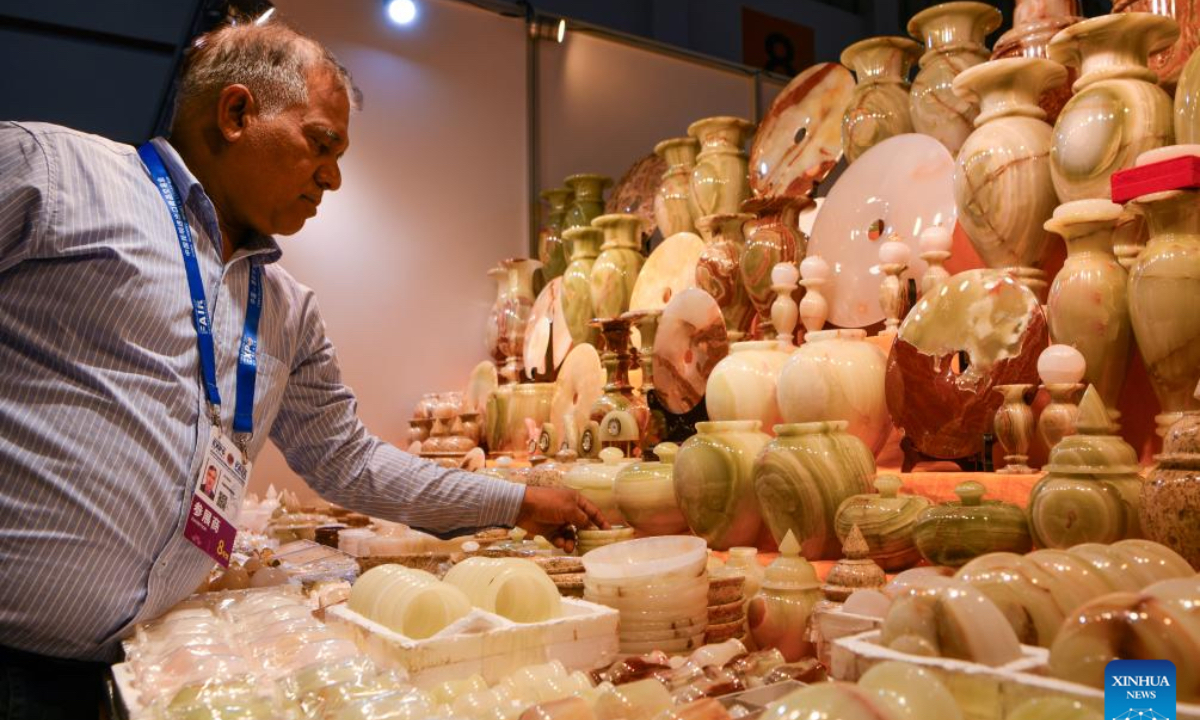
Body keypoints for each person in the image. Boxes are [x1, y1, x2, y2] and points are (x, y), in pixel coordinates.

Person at [0, 19, 604, 717]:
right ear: (236, 113)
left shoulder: (286, 308)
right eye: (321, 144)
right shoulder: (55, 174)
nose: (334, 178)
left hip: (137, 669)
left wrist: (518, 501)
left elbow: (349, 462)